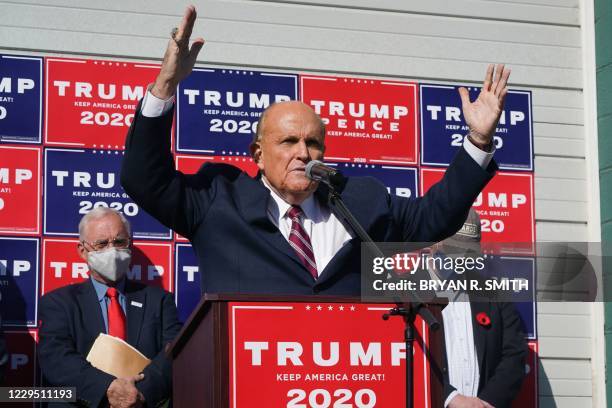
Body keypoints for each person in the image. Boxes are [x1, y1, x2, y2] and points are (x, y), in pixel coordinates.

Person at [121, 6, 511, 296]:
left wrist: (477, 142)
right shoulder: (216, 200)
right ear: (257, 153)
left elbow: (434, 218)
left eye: (313, 143)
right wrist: (165, 85)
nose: (304, 153)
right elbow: (144, 179)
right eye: (289, 142)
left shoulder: (361, 201)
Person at [37, 208, 181, 408]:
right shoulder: (58, 303)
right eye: (102, 244)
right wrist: (107, 388)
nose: (112, 250)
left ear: (130, 245)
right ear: (82, 251)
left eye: (119, 242)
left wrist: (139, 393)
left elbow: (172, 355)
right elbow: (56, 358)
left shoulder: (160, 301)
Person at [429, 209, 527, 408]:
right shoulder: (405, 292)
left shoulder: (493, 293)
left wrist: (486, 403)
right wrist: (450, 398)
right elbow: (401, 358)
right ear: (433, 240)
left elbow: (514, 354)